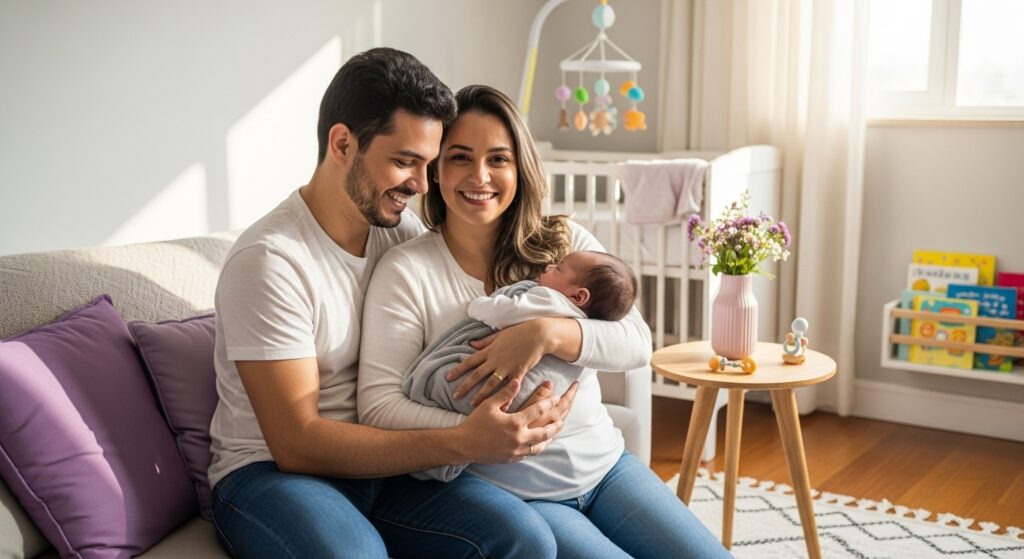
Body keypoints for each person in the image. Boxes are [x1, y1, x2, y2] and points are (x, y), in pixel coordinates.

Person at [208, 48, 575, 559]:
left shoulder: (398, 230)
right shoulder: (271, 261)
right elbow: (296, 442)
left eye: (428, 164)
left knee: (524, 538)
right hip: (272, 475)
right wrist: (465, 441)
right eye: (404, 162)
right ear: (342, 144)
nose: (422, 187)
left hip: (388, 465)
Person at [358, 84, 732, 558]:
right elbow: (379, 408)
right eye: (459, 157)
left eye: (498, 158)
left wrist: (546, 333)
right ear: (435, 168)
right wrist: (474, 436)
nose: (480, 176)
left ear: (520, 167)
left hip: (607, 466)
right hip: (523, 492)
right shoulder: (408, 271)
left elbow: (637, 342)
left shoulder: (564, 243)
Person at [404, 250, 638, 419]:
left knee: (447, 381)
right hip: (534, 411)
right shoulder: (587, 316)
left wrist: (478, 305)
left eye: (558, 268)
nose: (548, 267)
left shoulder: (549, 299)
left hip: (522, 392)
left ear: (578, 297)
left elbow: (505, 312)